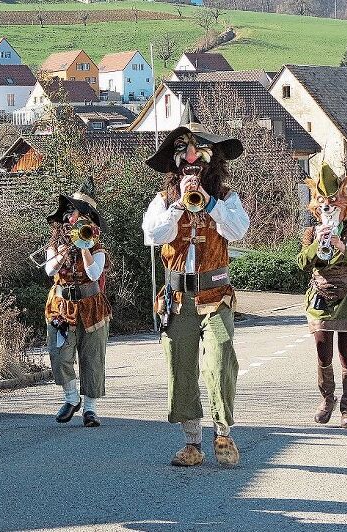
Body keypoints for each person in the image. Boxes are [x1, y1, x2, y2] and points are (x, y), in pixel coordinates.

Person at [142, 123, 249, 468]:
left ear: (211, 158)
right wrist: (178, 207)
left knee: (219, 359)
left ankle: (223, 432)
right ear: (175, 164)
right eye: (183, 152)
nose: (190, 157)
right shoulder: (162, 201)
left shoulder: (228, 197)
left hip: (216, 294)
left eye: (198, 150)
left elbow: (239, 230)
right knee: (181, 366)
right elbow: (153, 236)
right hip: (176, 298)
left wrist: (210, 202)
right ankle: (192, 443)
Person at [297, 163, 347, 429]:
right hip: (320, 298)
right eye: (324, 204)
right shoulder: (310, 232)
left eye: (334, 203)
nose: (329, 208)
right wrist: (319, 241)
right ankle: (327, 400)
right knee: (322, 352)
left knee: (346, 355)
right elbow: (303, 263)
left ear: (343, 204)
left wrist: (341, 245)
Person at [43, 182, 111, 427]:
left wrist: (84, 247)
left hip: (92, 306)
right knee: (59, 355)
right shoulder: (55, 244)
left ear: (86, 218)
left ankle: (91, 410)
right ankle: (71, 398)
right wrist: (63, 251)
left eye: (74, 212)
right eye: (68, 213)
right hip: (61, 306)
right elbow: (50, 270)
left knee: (92, 358)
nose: (69, 216)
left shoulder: (98, 246)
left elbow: (94, 274)